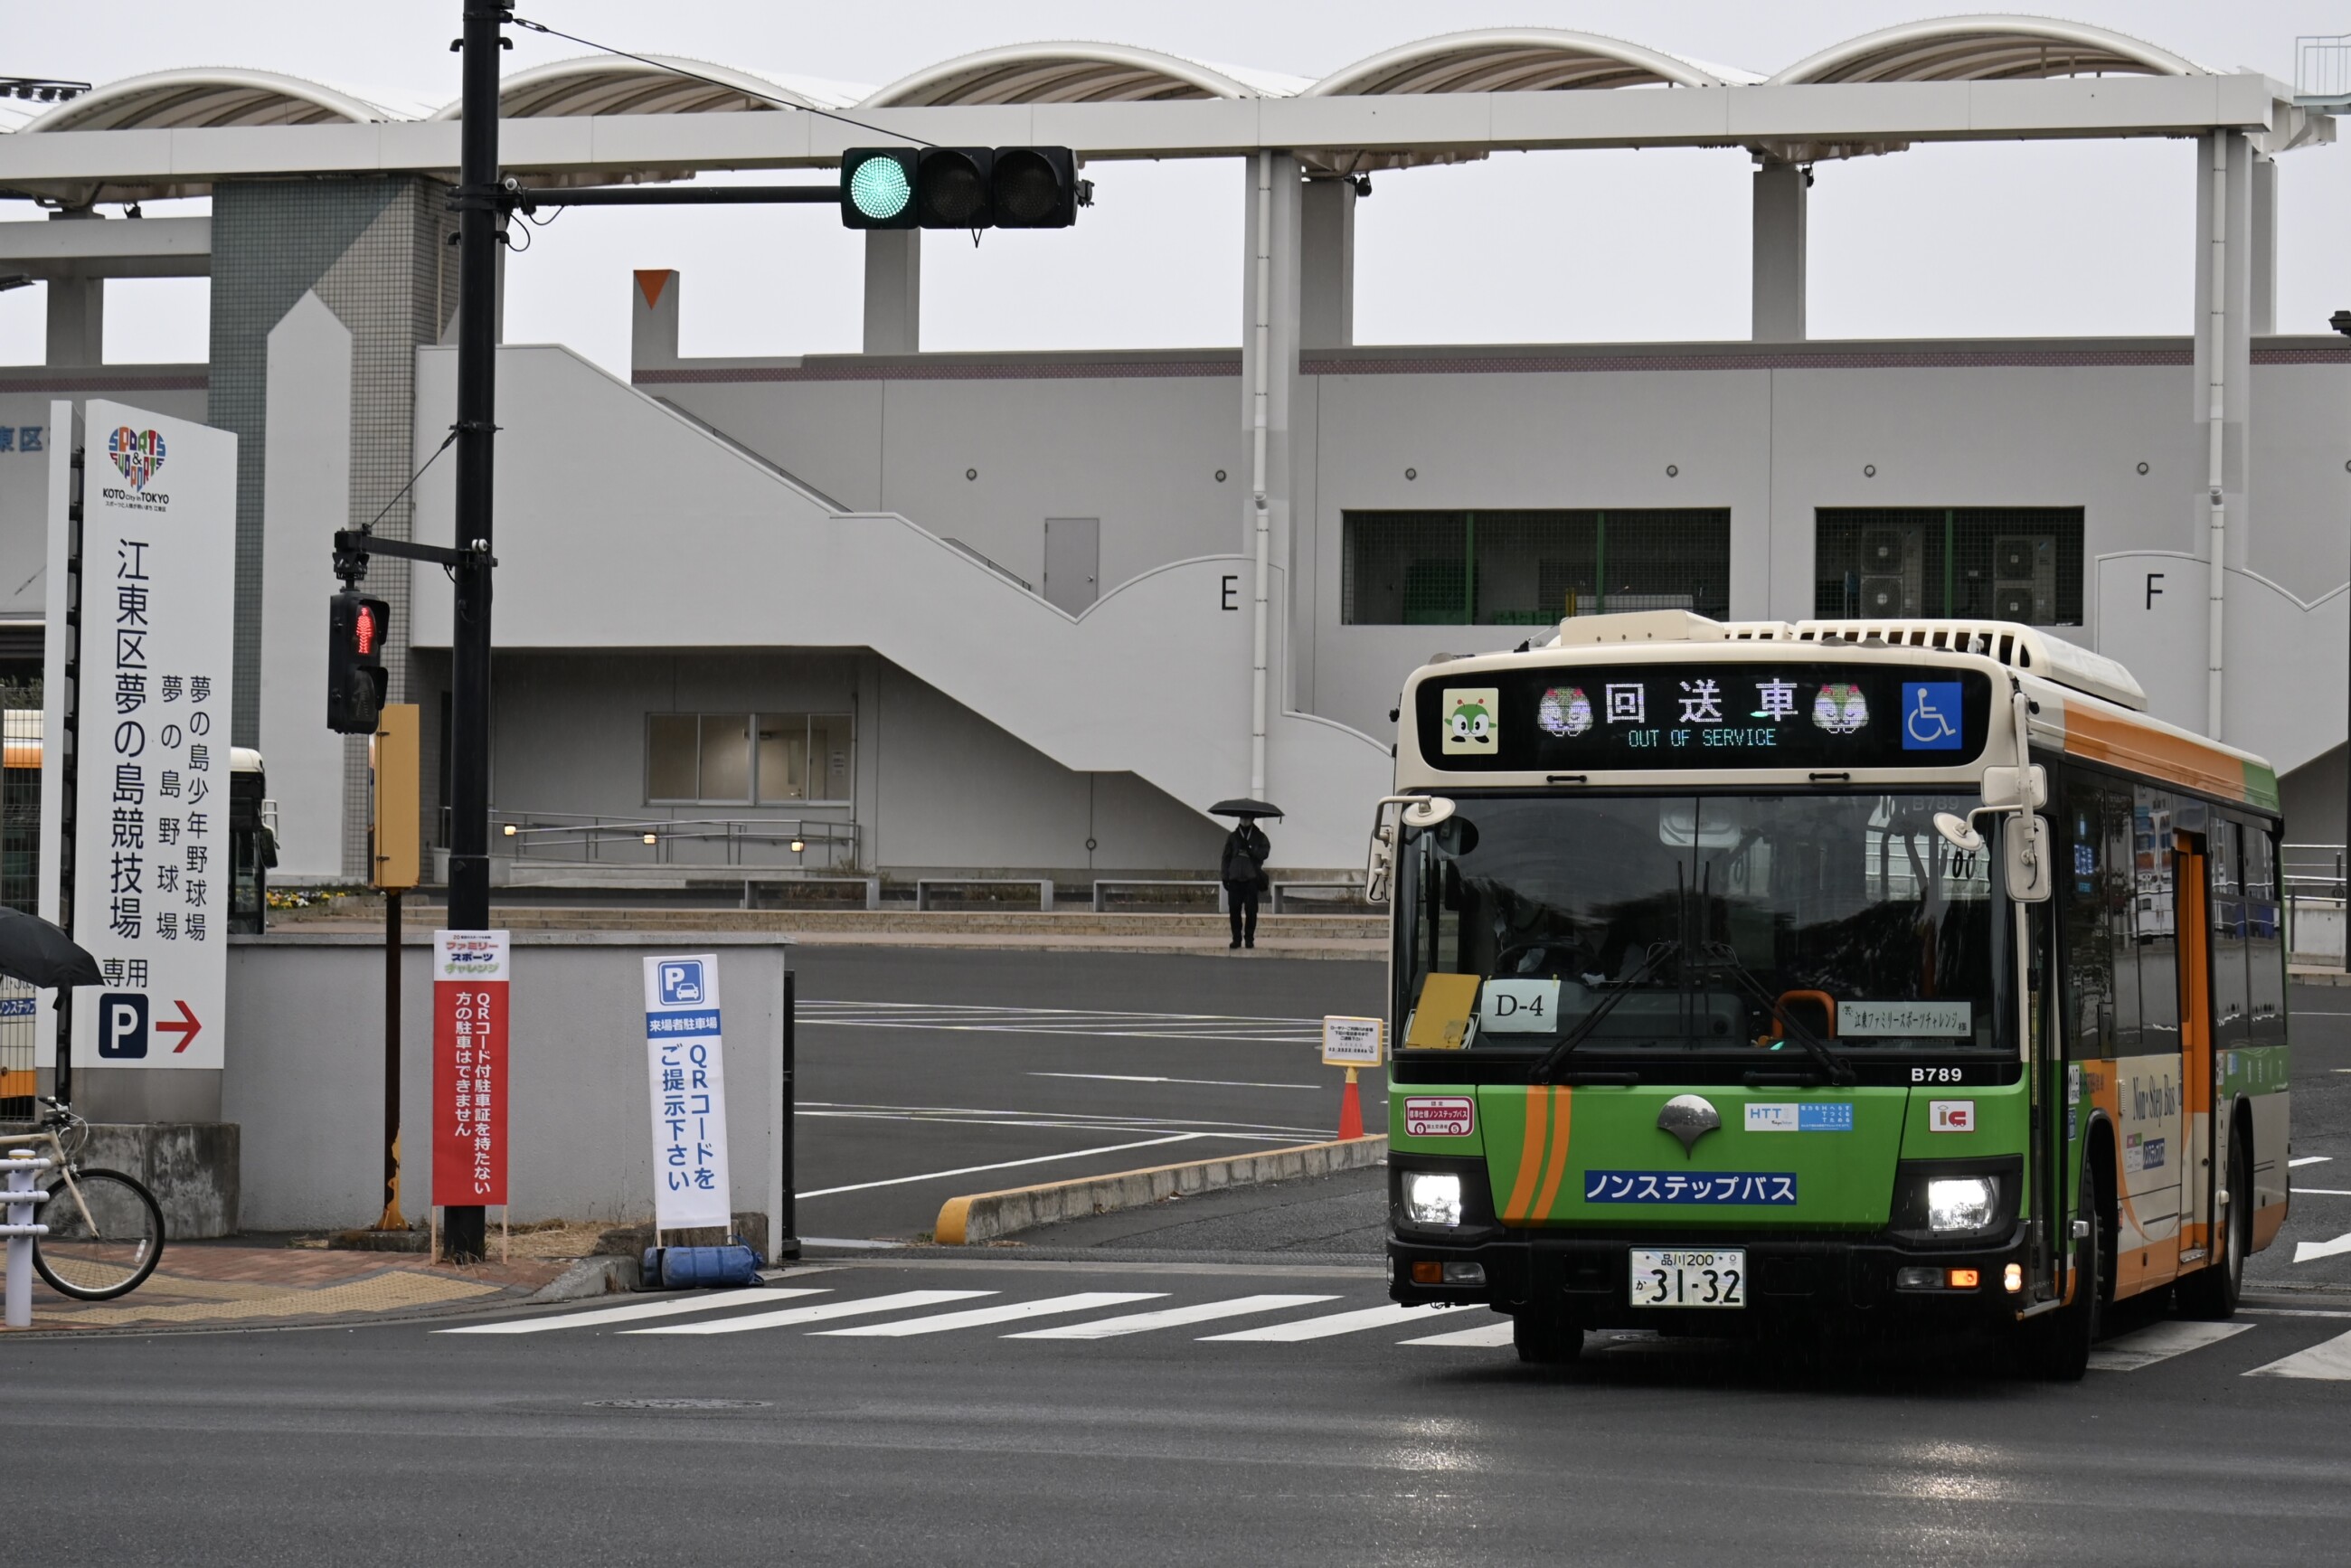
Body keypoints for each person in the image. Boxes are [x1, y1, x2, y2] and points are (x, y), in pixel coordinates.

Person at [1221, 817, 1271, 949]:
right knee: (1234, 910)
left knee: (1251, 910)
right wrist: (1225, 876)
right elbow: (1226, 858)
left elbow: (1264, 853)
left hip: (1251, 879)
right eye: (1242, 817)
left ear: (1252, 819)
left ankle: (1249, 938)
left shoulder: (1260, 837)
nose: (1244, 820)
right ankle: (1236, 938)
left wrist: (1250, 849)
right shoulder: (1233, 837)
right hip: (1234, 878)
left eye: (1247, 817)